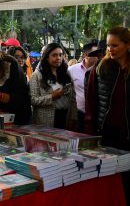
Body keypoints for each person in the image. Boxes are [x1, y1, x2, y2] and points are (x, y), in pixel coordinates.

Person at [85, 27, 130, 205]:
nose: (110, 49)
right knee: (106, 182)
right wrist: (90, 136)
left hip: (127, 137)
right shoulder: (100, 68)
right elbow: (91, 105)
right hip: (106, 136)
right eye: (108, 45)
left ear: (128, 45)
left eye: (115, 45)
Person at [29, 42, 77, 129]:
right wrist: (52, 96)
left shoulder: (66, 73)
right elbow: (33, 100)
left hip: (65, 117)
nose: (58, 58)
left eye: (60, 55)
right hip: (45, 121)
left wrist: (73, 118)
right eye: (54, 55)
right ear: (47, 57)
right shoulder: (37, 75)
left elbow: (73, 98)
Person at [68, 42, 98, 132]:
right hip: (77, 114)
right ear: (86, 54)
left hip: (94, 115)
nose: (98, 56)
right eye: (96, 54)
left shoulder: (100, 71)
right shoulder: (72, 70)